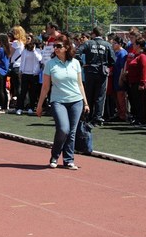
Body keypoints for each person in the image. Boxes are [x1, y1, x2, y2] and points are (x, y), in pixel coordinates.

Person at [36, 35, 89, 170]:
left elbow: (80, 84)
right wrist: (40, 105)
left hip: (76, 100)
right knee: (63, 129)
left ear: (66, 48)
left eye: (59, 46)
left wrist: (85, 102)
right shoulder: (50, 64)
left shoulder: (75, 63)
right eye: (55, 46)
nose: (56, 48)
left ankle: (68, 160)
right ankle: (55, 155)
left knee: (72, 131)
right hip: (58, 101)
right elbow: (46, 87)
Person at [76, 26, 115, 126]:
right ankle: (97, 118)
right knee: (100, 96)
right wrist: (106, 65)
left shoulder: (88, 43)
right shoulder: (107, 45)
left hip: (89, 71)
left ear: (93, 34)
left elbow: (77, 53)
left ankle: (87, 115)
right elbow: (113, 60)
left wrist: (81, 63)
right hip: (102, 73)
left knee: (89, 94)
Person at [18, 37, 43, 115]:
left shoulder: (38, 51)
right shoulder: (24, 51)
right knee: (23, 91)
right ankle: (20, 108)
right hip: (25, 73)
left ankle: (31, 108)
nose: (27, 41)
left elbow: (40, 59)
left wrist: (34, 50)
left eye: (29, 39)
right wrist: (20, 70)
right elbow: (22, 61)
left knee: (33, 92)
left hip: (34, 74)